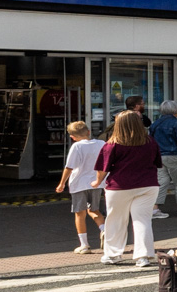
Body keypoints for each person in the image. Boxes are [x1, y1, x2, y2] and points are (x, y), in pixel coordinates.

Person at [95, 111, 162, 266]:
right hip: (148, 184)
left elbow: (103, 168)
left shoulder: (112, 144)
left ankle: (113, 255)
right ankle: (143, 256)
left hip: (119, 186)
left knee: (116, 220)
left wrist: (97, 181)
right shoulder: (150, 141)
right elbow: (157, 163)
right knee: (143, 220)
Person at [55, 120, 104, 253]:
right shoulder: (101, 144)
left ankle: (84, 245)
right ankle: (104, 230)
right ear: (88, 132)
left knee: (79, 214)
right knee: (94, 210)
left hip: (79, 183)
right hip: (96, 182)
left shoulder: (76, 147)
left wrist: (62, 183)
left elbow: (69, 167)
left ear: (73, 137)